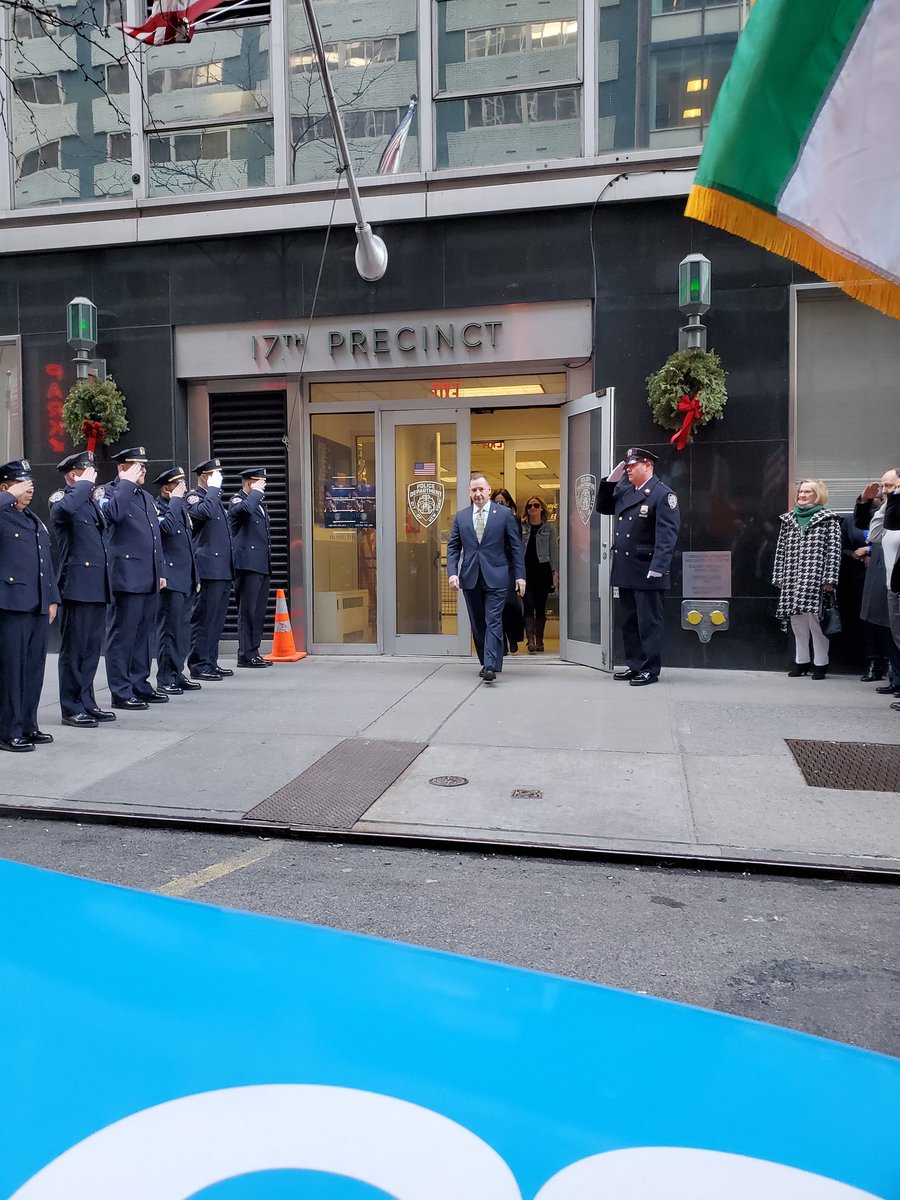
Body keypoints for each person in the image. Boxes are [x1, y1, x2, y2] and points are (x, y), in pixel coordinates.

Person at [596, 448, 680, 686]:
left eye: (633, 465)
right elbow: (603, 507)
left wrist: (658, 567)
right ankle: (635, 665)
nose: (628, 470)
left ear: (648, 466)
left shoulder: (662, 494)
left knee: (648, 623)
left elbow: (667, 536)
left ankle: (650, 668)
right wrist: (610, 482)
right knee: (630, 621)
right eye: (627, 466)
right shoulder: (626, 491)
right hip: (626, 567)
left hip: (647, 568)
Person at [49, 450, 115, 728]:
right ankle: (71, 707)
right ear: (72, 474)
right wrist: (83, 486)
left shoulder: (89, 503)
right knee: (74, 650)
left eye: (92, 471)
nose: (92, 476)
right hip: (76, 585)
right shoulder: (62, 499)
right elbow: (63, 512)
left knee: (90, 649)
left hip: (96, 584)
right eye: (85, 471)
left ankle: (87, 701)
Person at [100, 445, 167, 710]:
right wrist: (125, 483)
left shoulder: (146, 497)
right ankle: (121, 690)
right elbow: (112, 515)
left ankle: (140, 684)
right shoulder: (108, 492)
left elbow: (154, 537)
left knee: (143, 636)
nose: (143, 470)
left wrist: (161, 571)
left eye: (144, 466)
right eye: (137, 466)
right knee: (122, 637)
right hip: (126, 576)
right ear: (122, 468)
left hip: (148, 575)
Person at [0, 459, 60, 751]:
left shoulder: (32, 520)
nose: (29, 488)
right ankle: (7, 731)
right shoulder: (3, 515)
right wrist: (7, 498)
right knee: (11, 671)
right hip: (11, 605)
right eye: (21, 484)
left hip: (36, 604)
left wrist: (52, 598)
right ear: (5, 487)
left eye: (31, 483)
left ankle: (27, 725)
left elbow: (45, 563)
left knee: (33, 670)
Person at [447, 474, 526, 684]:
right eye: (474, 490)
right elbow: (453, 547)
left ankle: (490, 665)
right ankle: (487, 661)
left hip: (497, 577)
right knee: (478, 623)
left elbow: (516, 548)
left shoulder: (504, 515)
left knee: (493, 620)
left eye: (481, 489)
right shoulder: (461, 517)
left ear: (489, 491)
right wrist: (452, 573)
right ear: (469, 492)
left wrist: (520, 576)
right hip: (470, 577)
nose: (478, 494)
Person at [773, 479, 842, 679]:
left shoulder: (828, 519)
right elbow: (780, 550)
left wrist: (829, 579)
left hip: (816, 578)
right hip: (792, 576)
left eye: (807, 492)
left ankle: (821, 663)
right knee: (797, 622)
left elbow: (834, 551)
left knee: (816, 623)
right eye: (801, 492)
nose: (802, 495)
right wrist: (779, 576)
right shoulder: (788, 519)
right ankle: (801, 661)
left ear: (817, 494)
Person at [153, 467, 201, 696]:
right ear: (166, 489)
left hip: (185, 577)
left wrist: (195, 576)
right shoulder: (160, 507)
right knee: (169, 630)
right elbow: (167, 529)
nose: (183, 488)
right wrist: (175, 501)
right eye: (178, 485)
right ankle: (165, 677)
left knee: (182, 630)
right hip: (170, 577)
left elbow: (189, 546)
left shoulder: (180, 508)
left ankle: (177, 671)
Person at [186, 458, 235, 682]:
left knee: (216, 618)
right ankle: (198, 663)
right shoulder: (194, 497)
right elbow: (203, 513)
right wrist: (213, 489)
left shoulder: (214, 499)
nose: (219, 479)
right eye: (215, 475)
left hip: (222, 568)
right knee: (204, 618)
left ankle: (210, 661)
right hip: (207, 567)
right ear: (204, 477)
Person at [854, 470, 900, 697]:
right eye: (883, 486)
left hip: (894, 577)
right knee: (890, 630)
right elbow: (867, 527)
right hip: (887, 578)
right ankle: (896, 679)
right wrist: (865, 501)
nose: (885, 490)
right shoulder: (884, 507)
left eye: (890, 485)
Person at [228, 466, 273, 668]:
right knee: (247, 611)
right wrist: (255, 493)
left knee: (258, 611)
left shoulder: (259, 504)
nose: (263, 487)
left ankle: (254, 650)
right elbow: (243, 511)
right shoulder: (237, 500)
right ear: (249, 483)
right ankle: (245, 653)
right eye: (259, 483)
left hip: (261, 564)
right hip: (247, 565)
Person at [521, 494, 559, 653]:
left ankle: (539, 640)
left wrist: (555, 572)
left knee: (540, 606)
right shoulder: (522, 527)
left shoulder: (549, 528)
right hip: (526, 570)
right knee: (528, 605)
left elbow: (553, 551)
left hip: (543, 570)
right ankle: (530, 640)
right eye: (529, 506)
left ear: (542, 508)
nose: (533, 508)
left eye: (536, 505)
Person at [491, 488, 525, 654]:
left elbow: (516, 544)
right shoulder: (488, 520)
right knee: (497, 607)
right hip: (493, 567)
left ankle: (513, 636)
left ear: (509, 504)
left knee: (510, 604)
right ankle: (502, 642)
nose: (499, 505)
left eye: (502, 502)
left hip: (509, 566)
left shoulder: (514, 519)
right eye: (496, 502)